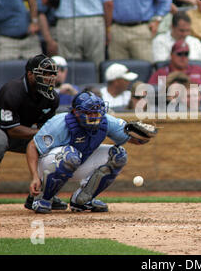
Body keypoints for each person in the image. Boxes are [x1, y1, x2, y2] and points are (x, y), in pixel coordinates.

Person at [26, 90, 156, 213]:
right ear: (76, 112)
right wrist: (35, 177)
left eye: (97, 112)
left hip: (78, 161)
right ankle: (43, 198)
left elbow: (133, 140)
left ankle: (82, 200)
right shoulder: (60, 122)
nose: (95, 116)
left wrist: (145, 137)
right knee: (71, 155)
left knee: (118, 155)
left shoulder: (106, 121)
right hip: (48, 166)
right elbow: (32, 146)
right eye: (89, 113)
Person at [0, 54, 62, 213]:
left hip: (20, 131)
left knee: (50, 146)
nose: (50, 77)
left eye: (52, 74)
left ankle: (41, 194)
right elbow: (11, 128)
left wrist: (47, 138)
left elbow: (45, 130)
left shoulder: (52, 98)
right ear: (30, 74)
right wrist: (41, 134)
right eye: (45, 73)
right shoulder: (13, 89)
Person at [40, 0, 113, 68]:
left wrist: (60, 2)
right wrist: (108, 28)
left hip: (67, 22)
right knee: (95, 67)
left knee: (69, 68)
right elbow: (108, 3)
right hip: (94, 23)